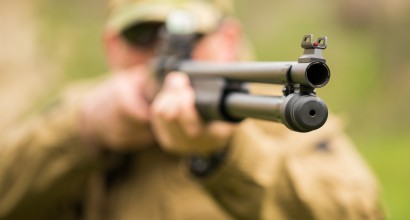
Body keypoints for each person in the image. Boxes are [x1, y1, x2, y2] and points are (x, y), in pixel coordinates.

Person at [0, 0, 384, 219]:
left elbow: (360, 211)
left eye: (191, 37)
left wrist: (225, 155)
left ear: (228, 39)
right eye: (142, 35)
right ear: (112, 45)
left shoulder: (269, 112)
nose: (163, 52)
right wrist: (83, 132)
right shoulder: (85, 111)